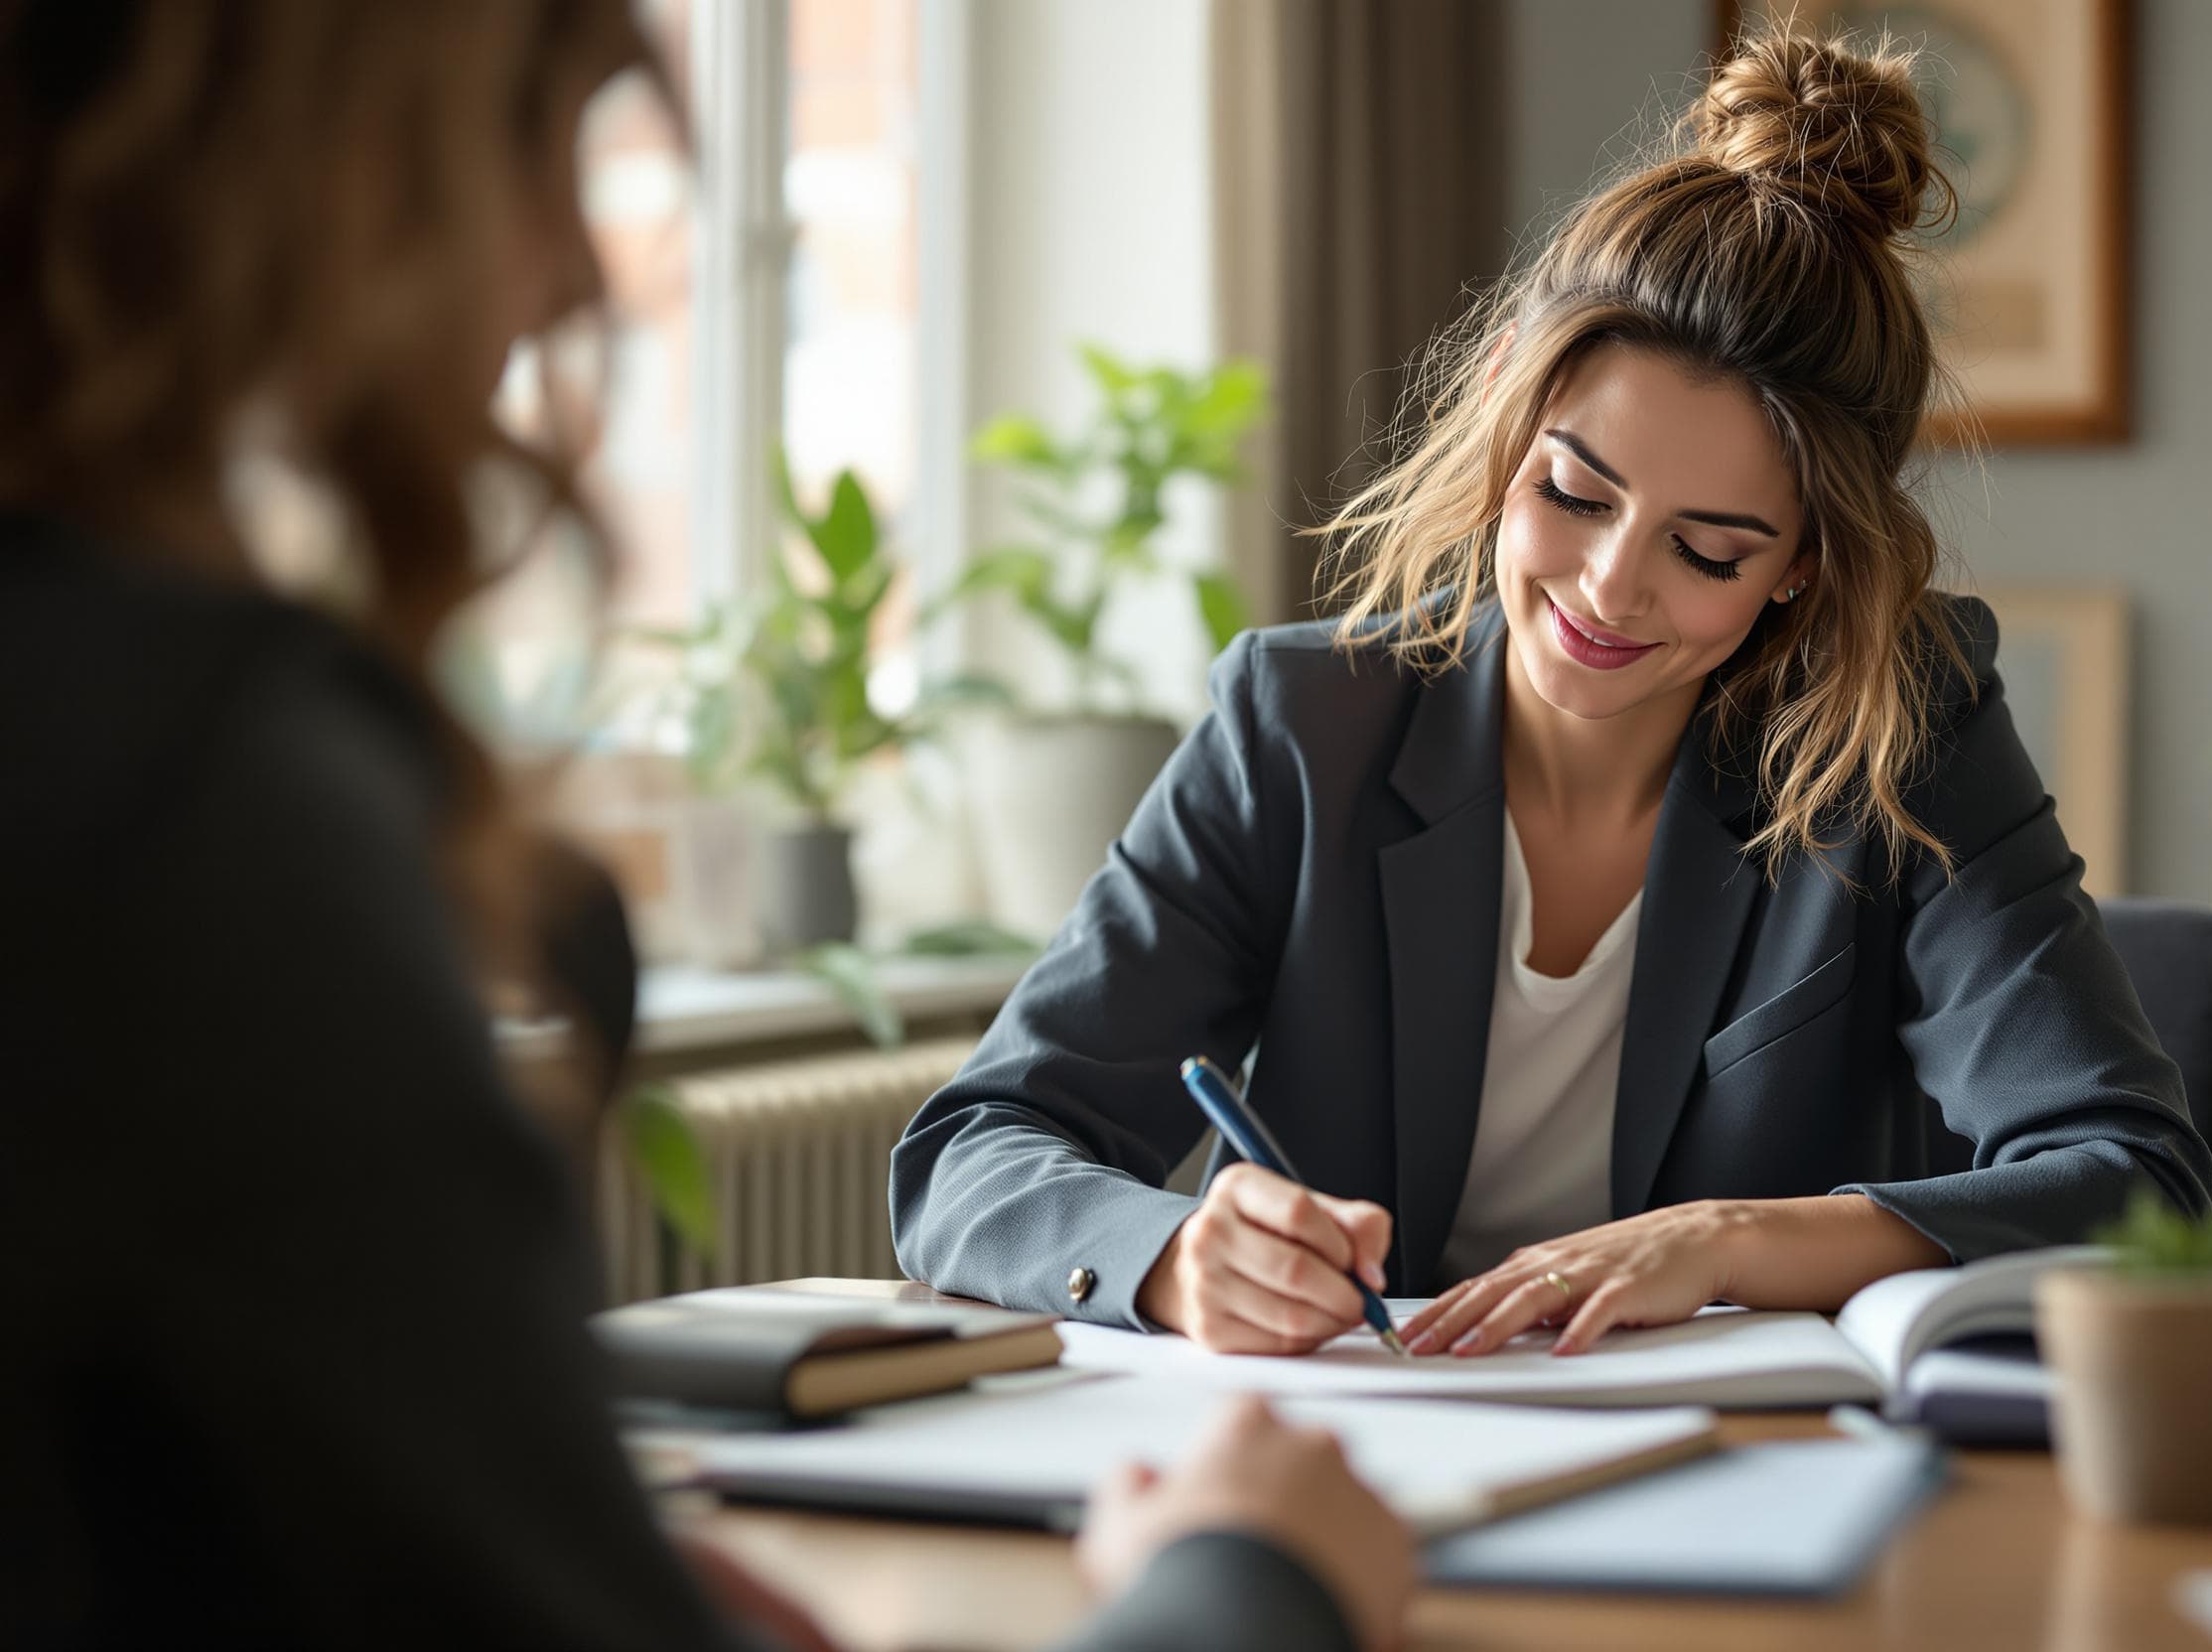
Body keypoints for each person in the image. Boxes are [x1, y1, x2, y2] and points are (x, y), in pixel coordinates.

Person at [0, 3, 1411, 1649]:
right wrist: (1254, 1578)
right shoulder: (194, 816)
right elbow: (981, 1144)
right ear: (334, 165)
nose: (565, 280)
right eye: (537, 142)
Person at [891, 25, 2212, 1360]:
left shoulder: (1901, 738)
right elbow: (971, 1153)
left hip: (1746, 1487)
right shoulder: (1300, 730)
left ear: (1806, 563)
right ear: (1504, 408)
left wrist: (1728, 1243)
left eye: (1710, 551)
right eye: (1571, 493)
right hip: (1369, 1457)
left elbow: (2136, 1178)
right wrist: (1174, 1256)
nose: (1606, 589)